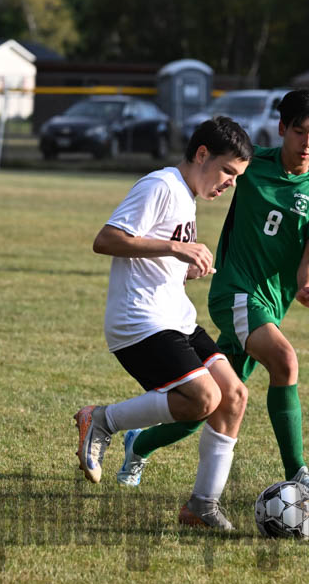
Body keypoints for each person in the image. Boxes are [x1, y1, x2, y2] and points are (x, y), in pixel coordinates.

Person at [121, 89, 309, 499]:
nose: (307, 142)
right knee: (285, 361)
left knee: (214, 402)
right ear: (282, 129)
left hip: (271, 303)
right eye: (299, 132)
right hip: (235, 292)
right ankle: (297, 471)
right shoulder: (251, 164)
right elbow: (209, 171)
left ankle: (138, 444)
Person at [75, 117, 253, 531]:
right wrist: (176, 247)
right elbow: (106, 239)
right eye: (228, 171)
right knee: (203, 398)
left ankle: (201, 506)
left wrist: (181, 267)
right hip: (139, 321)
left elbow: (153, 253)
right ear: (202, 154)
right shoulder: (160, 185)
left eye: (237, 177)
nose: (230, 183)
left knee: (234, 395)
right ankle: (102, 420)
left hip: (175, 316)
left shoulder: (187, 196)